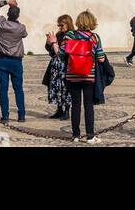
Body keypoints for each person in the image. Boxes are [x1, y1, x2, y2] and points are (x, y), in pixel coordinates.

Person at [62, 11, 107, 142]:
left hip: (72, 75)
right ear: (92, 22)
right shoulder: (95, 38)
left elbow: (61, 54)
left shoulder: (69, 35)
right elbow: (101, 58)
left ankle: (75, 135)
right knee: (88, 105)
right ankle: (90, 136)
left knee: (75, 105)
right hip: (88, 75)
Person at [0, 0, 28, 124]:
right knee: (18, 89)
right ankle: (21, 115)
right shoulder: (21, 27)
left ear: (7, 14)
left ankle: (5, 116)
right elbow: (25, 34)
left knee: (3, 90)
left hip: (1, 60)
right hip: (16, 61)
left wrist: (6, 2)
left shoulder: (1, 23)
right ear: (18, 15)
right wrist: (16, 19)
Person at [43, 14, 74, 120]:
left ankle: (67, 111)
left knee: (65, 88)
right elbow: (51, 50)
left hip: (65, 65)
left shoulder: (71, 35)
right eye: (59, 25)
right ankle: (59, 110)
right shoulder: (59, 34)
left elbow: (64, 52)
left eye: (62, 25)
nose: (60, 27)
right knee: (56, 87)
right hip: (56, 66)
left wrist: (55, 43)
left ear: (68, 23)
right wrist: (48, 43)